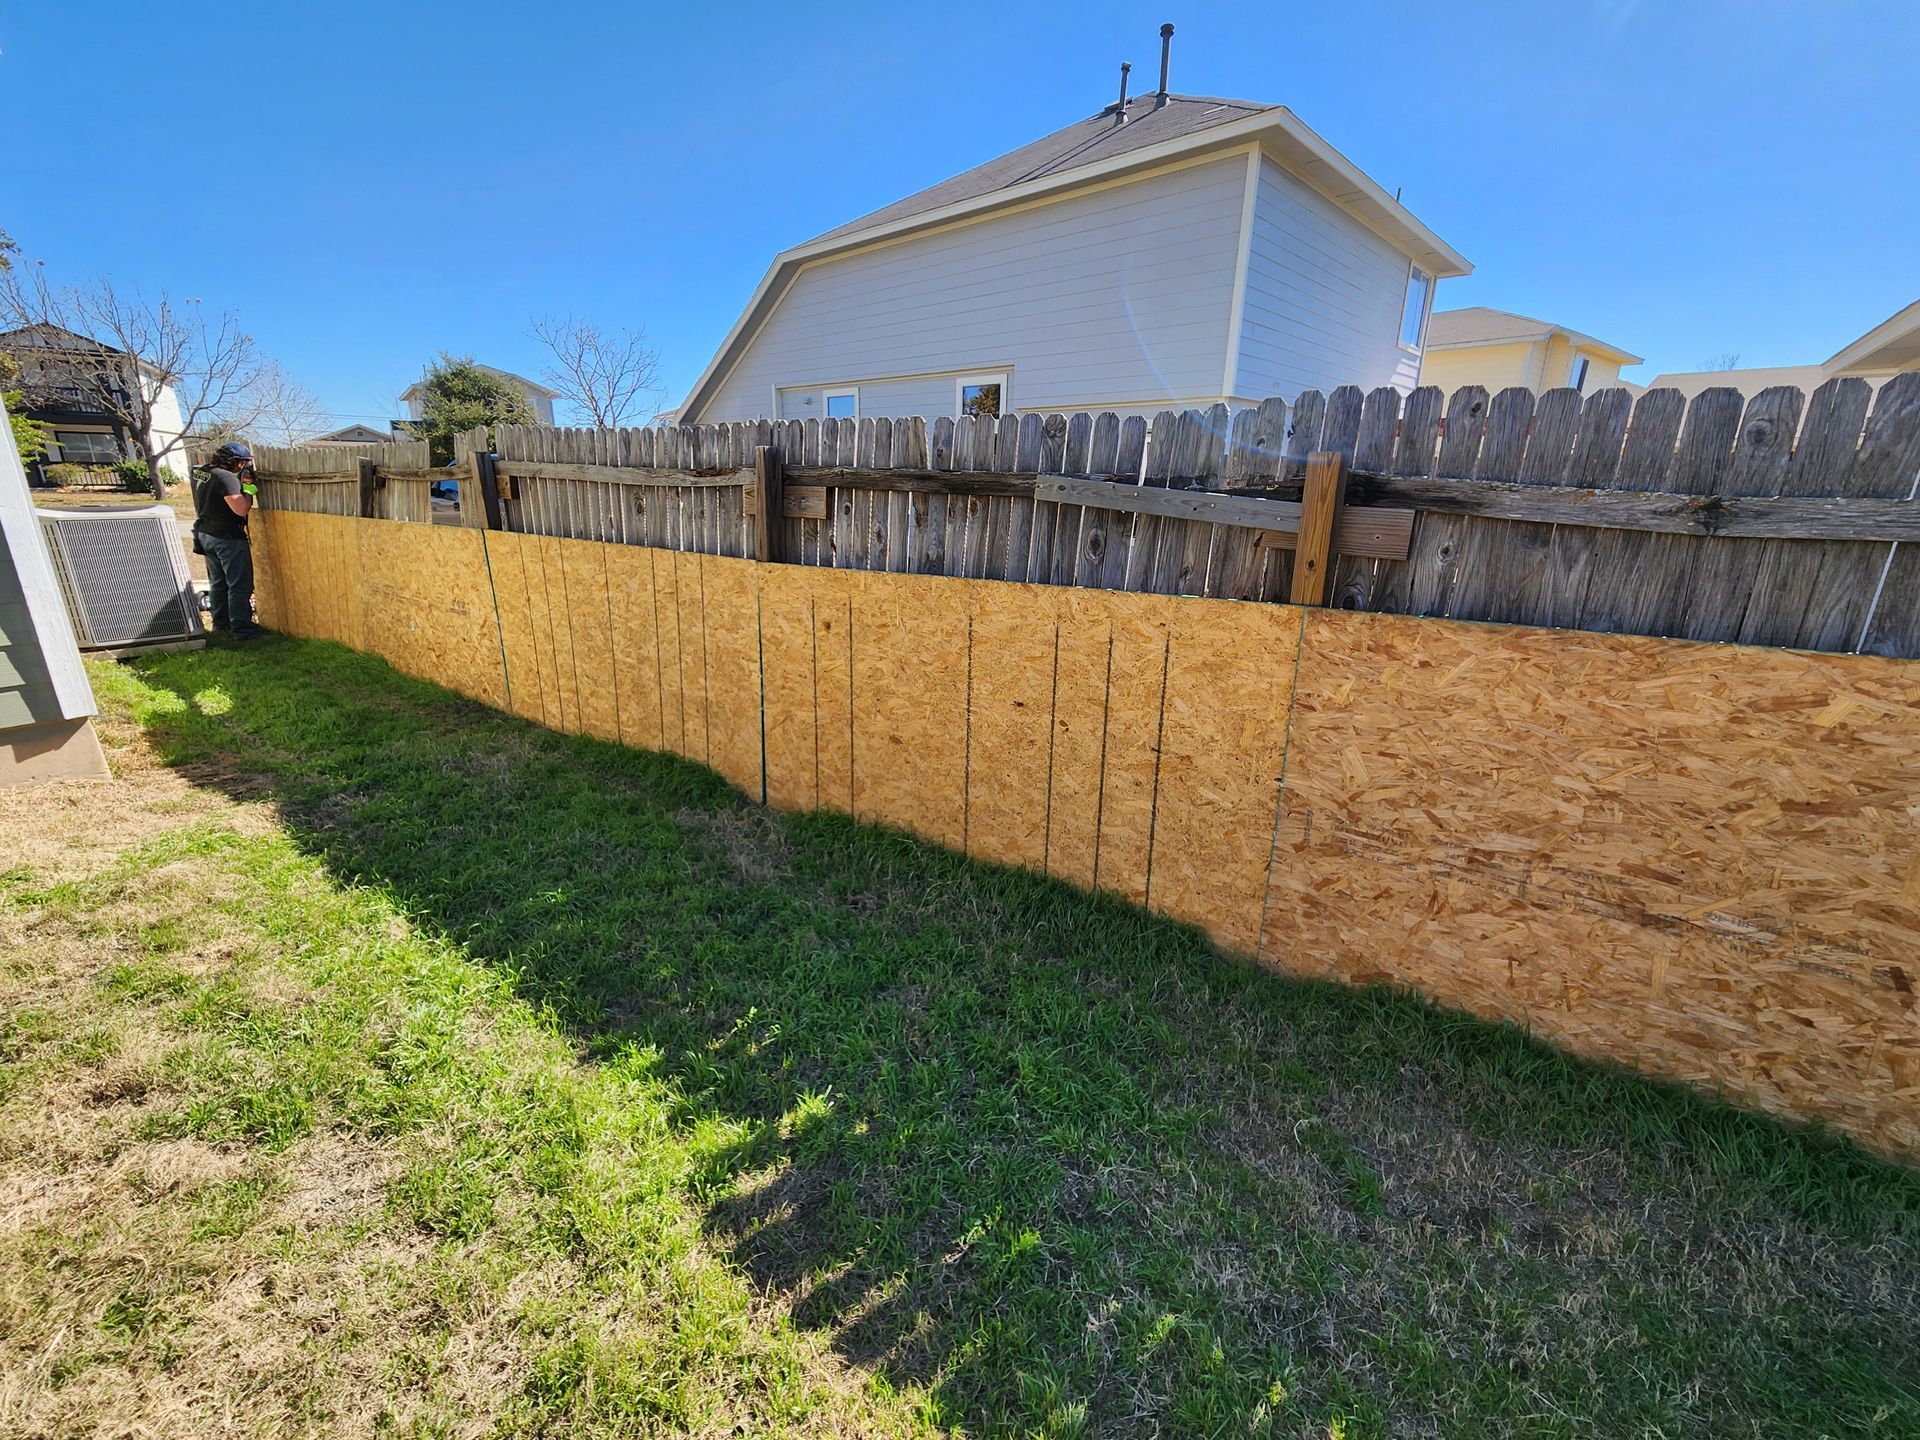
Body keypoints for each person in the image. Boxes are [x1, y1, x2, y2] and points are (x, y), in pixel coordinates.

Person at [193, 441, 263, 640]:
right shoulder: (225, 478)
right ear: (231, 461)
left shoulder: (204, 472)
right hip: (227, 538)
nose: (243, 467)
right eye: (241, 462)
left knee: (218, 583)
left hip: (206, 535)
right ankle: (243, 631)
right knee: (239, 585)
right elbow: (241, 509)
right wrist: (248, 488)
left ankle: (220, 626)